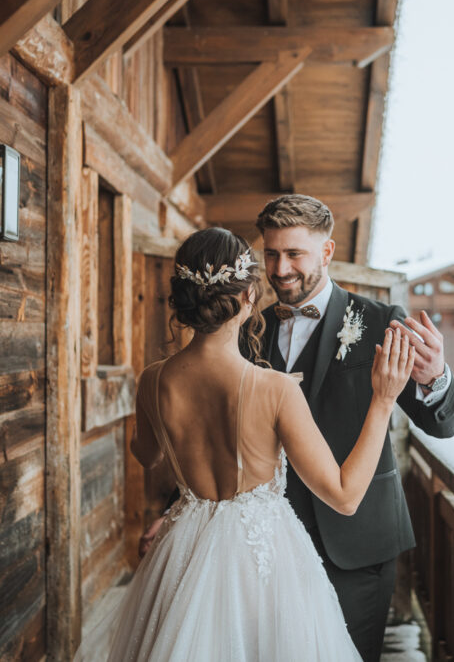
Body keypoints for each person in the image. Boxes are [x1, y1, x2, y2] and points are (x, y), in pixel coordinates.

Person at [142, 194, 454, 661]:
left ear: (327, 252)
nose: (281, 268)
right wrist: (181, 515)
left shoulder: (379, 323)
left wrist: (436, 379)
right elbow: (212, 430)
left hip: (356, 546)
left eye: (294, 254)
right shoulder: (246, 327)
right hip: (262, 552)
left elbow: (445, 424)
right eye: (271, 254)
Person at [78, 228, 415, 660]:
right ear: (246, 298)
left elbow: (147, 454)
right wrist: (383, 403)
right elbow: (346, 497)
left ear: (182, 301)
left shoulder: (154, 379)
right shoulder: (274, 389)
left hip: (184, 547)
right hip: (264, 562)